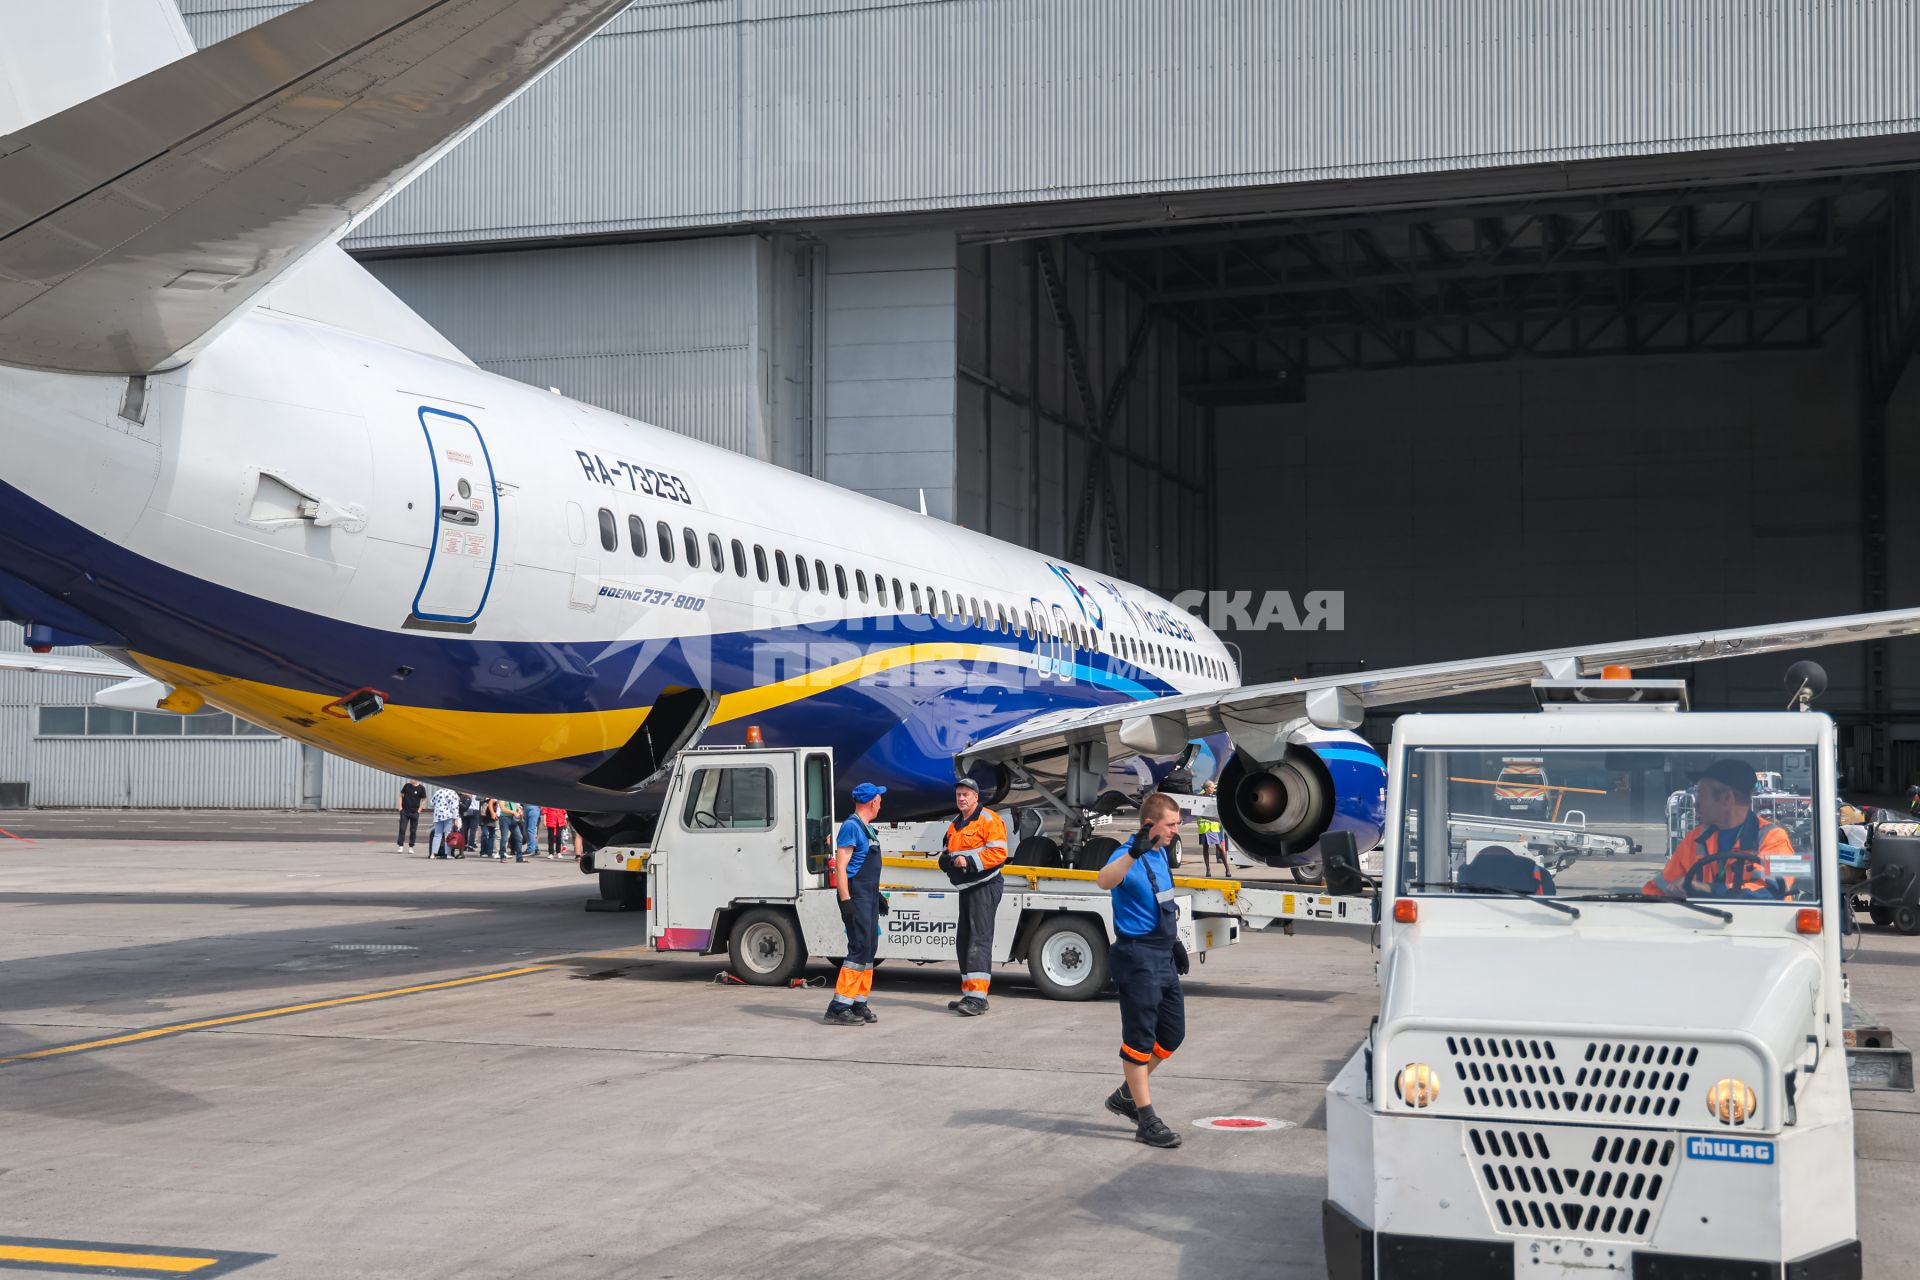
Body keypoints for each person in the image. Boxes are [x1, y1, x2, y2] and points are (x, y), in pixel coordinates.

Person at [1094, 792, 1187, 1148]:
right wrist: (1133, 852)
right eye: (1172, 824)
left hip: (1161, 954)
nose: (1176, 830)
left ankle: (1126, 1095)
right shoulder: (1125, 855)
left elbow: (1162, 900)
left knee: (1172, 1034)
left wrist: (1174, 942)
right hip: (1136, 958)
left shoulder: (1163, 853)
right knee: (1139, 1039)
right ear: (1150, 825)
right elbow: (1103, 880)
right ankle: (1146, 1119)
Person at [1645, 758, 1794, 897]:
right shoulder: (1695, 838)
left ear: (1727, 798)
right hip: (1700, 922)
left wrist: (1708, 890)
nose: (1696, 804)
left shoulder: (1776, 838)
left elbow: (1771, 892)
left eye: (1702, 795)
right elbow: (1656, 889)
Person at [939, 776, 1009, 1016]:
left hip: (984, 886)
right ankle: (971, 994)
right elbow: (949, 850)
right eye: (958, 794)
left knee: (979, 940)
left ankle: (978, 998)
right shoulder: (956, 823)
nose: (961, 798)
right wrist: (945, 860)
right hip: (967, 889)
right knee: (965, 941)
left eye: (966, 794)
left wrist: (967, 861)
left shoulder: (989, 819)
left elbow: (999, 853)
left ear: (976, 797)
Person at [824, 782, 887, 1026]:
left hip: (868, 895)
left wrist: (877, 895)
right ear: (872, 802)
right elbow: (841, 866)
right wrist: (846, 901)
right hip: (856, 896)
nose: (881, 802)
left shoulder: (867, 828)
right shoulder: (852, 827)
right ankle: (839, 1006)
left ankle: (858, 1002)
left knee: (869, 948)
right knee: (859, 948)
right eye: (879, 798)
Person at [1196, 780, 1228, 877]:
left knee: (1219, 847)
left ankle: (1227, 868)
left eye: (1214, 787)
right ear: (1206, 788)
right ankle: (1208, 870)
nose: (1214, 788)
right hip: (1204, 828)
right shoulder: (1200, 797)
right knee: (1206, 848)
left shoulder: (1215, 797)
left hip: (1214, 827)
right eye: (1212, 787)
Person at [430, 784, 461, 858]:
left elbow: (432, 803)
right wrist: (456, 818)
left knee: (437, 834)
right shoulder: (453, 793)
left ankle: (433, 854)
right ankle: (448, 854)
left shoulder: (438, 792)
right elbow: (455, 807)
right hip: (448, 815)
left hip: (438, 815)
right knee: (448, 835)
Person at [396, 778, 425, 854]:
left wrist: (419, 810)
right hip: (404, 811)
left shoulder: (421, 788)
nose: (410, 780)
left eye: (412, 779)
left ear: (416, 779)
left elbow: (424, 799)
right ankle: (400, 846)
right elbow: (401, 796)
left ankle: (411, 847)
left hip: (415, 812)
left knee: (413, 830)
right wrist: (400, 807)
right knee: (402, 828)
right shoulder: (407, 786)